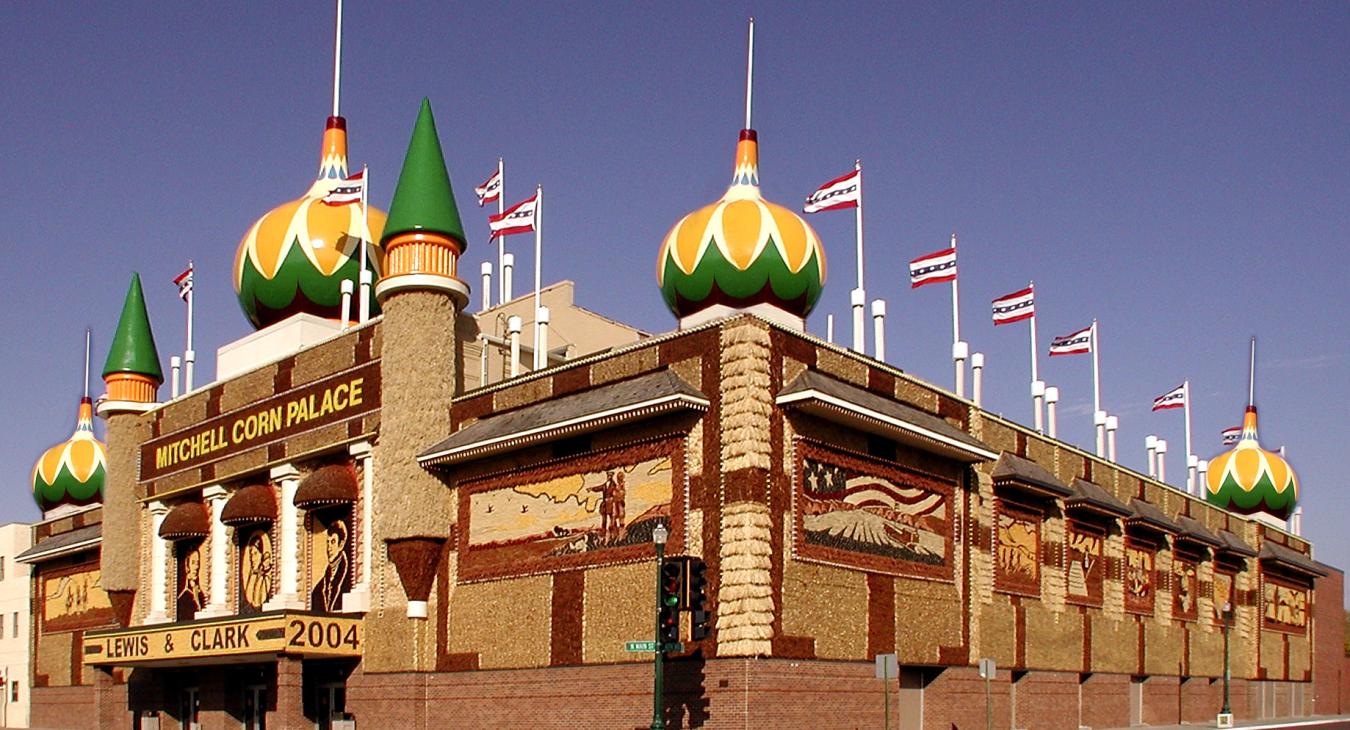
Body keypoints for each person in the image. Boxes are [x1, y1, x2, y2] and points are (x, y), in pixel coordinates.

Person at [311, 518, 350, 612]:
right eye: (327, 542)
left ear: (341, 545)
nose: (329, 548)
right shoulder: (319, 589)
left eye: (333, 542)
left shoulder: (349, 579)